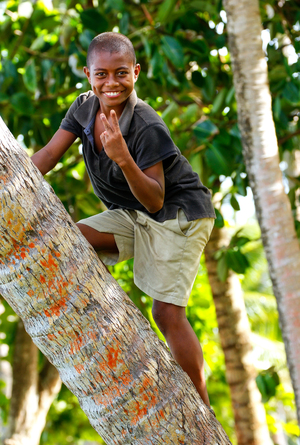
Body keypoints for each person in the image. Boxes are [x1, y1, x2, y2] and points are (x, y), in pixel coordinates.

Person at [31, 32, 216, 410]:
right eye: (102, 74)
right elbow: (48, 156)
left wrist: (122, 157)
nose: (111, 83)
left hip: (177, 214)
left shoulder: (146, 125)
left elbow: (155, 197)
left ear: (136, 71)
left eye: (121, 73)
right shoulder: (83, 109)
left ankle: (201, 405)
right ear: (88, 74)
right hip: (132, 213)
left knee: (165, 312)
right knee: (71, 238)